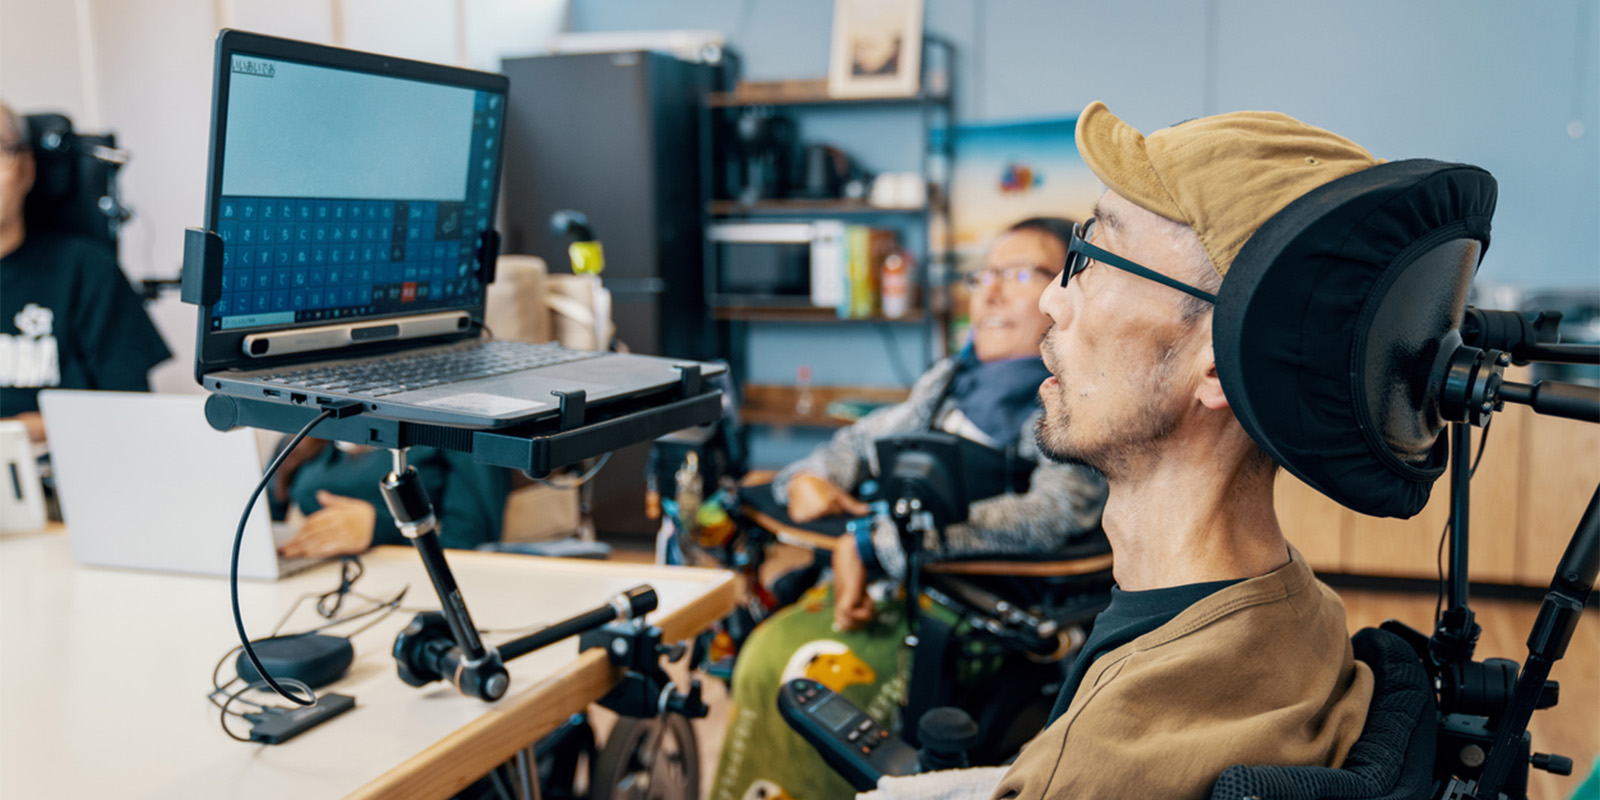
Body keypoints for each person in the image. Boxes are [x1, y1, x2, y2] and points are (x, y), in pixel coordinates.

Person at [864, 102, 1378, 800]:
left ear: (1223, 364)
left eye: (1094, 259)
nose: (1051, 300)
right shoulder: (1306, 611)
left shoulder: (1096, 769)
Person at [711, 219, 1109, 800]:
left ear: (1066, 291)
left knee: (785, 668)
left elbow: (1053, 511)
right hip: (885, 589)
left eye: (1018, 274)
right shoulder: (952, 379)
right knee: (759, 650)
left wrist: (878, 539)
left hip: (968, 617)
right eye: (983, 276)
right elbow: (859, 442)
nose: (990, 293)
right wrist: (812, 478)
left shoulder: (1071, 395)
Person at [0, 101, 170, 441]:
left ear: (26, 167)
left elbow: (128, 412)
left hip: (57, 471)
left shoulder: (86, 270)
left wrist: (15, 433)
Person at [270, 439, 512, 558]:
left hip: (410, 580)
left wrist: (382, 528)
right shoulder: (309, 422)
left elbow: (473, 542)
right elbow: (262, 517)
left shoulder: (459, 424)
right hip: (317, 573)